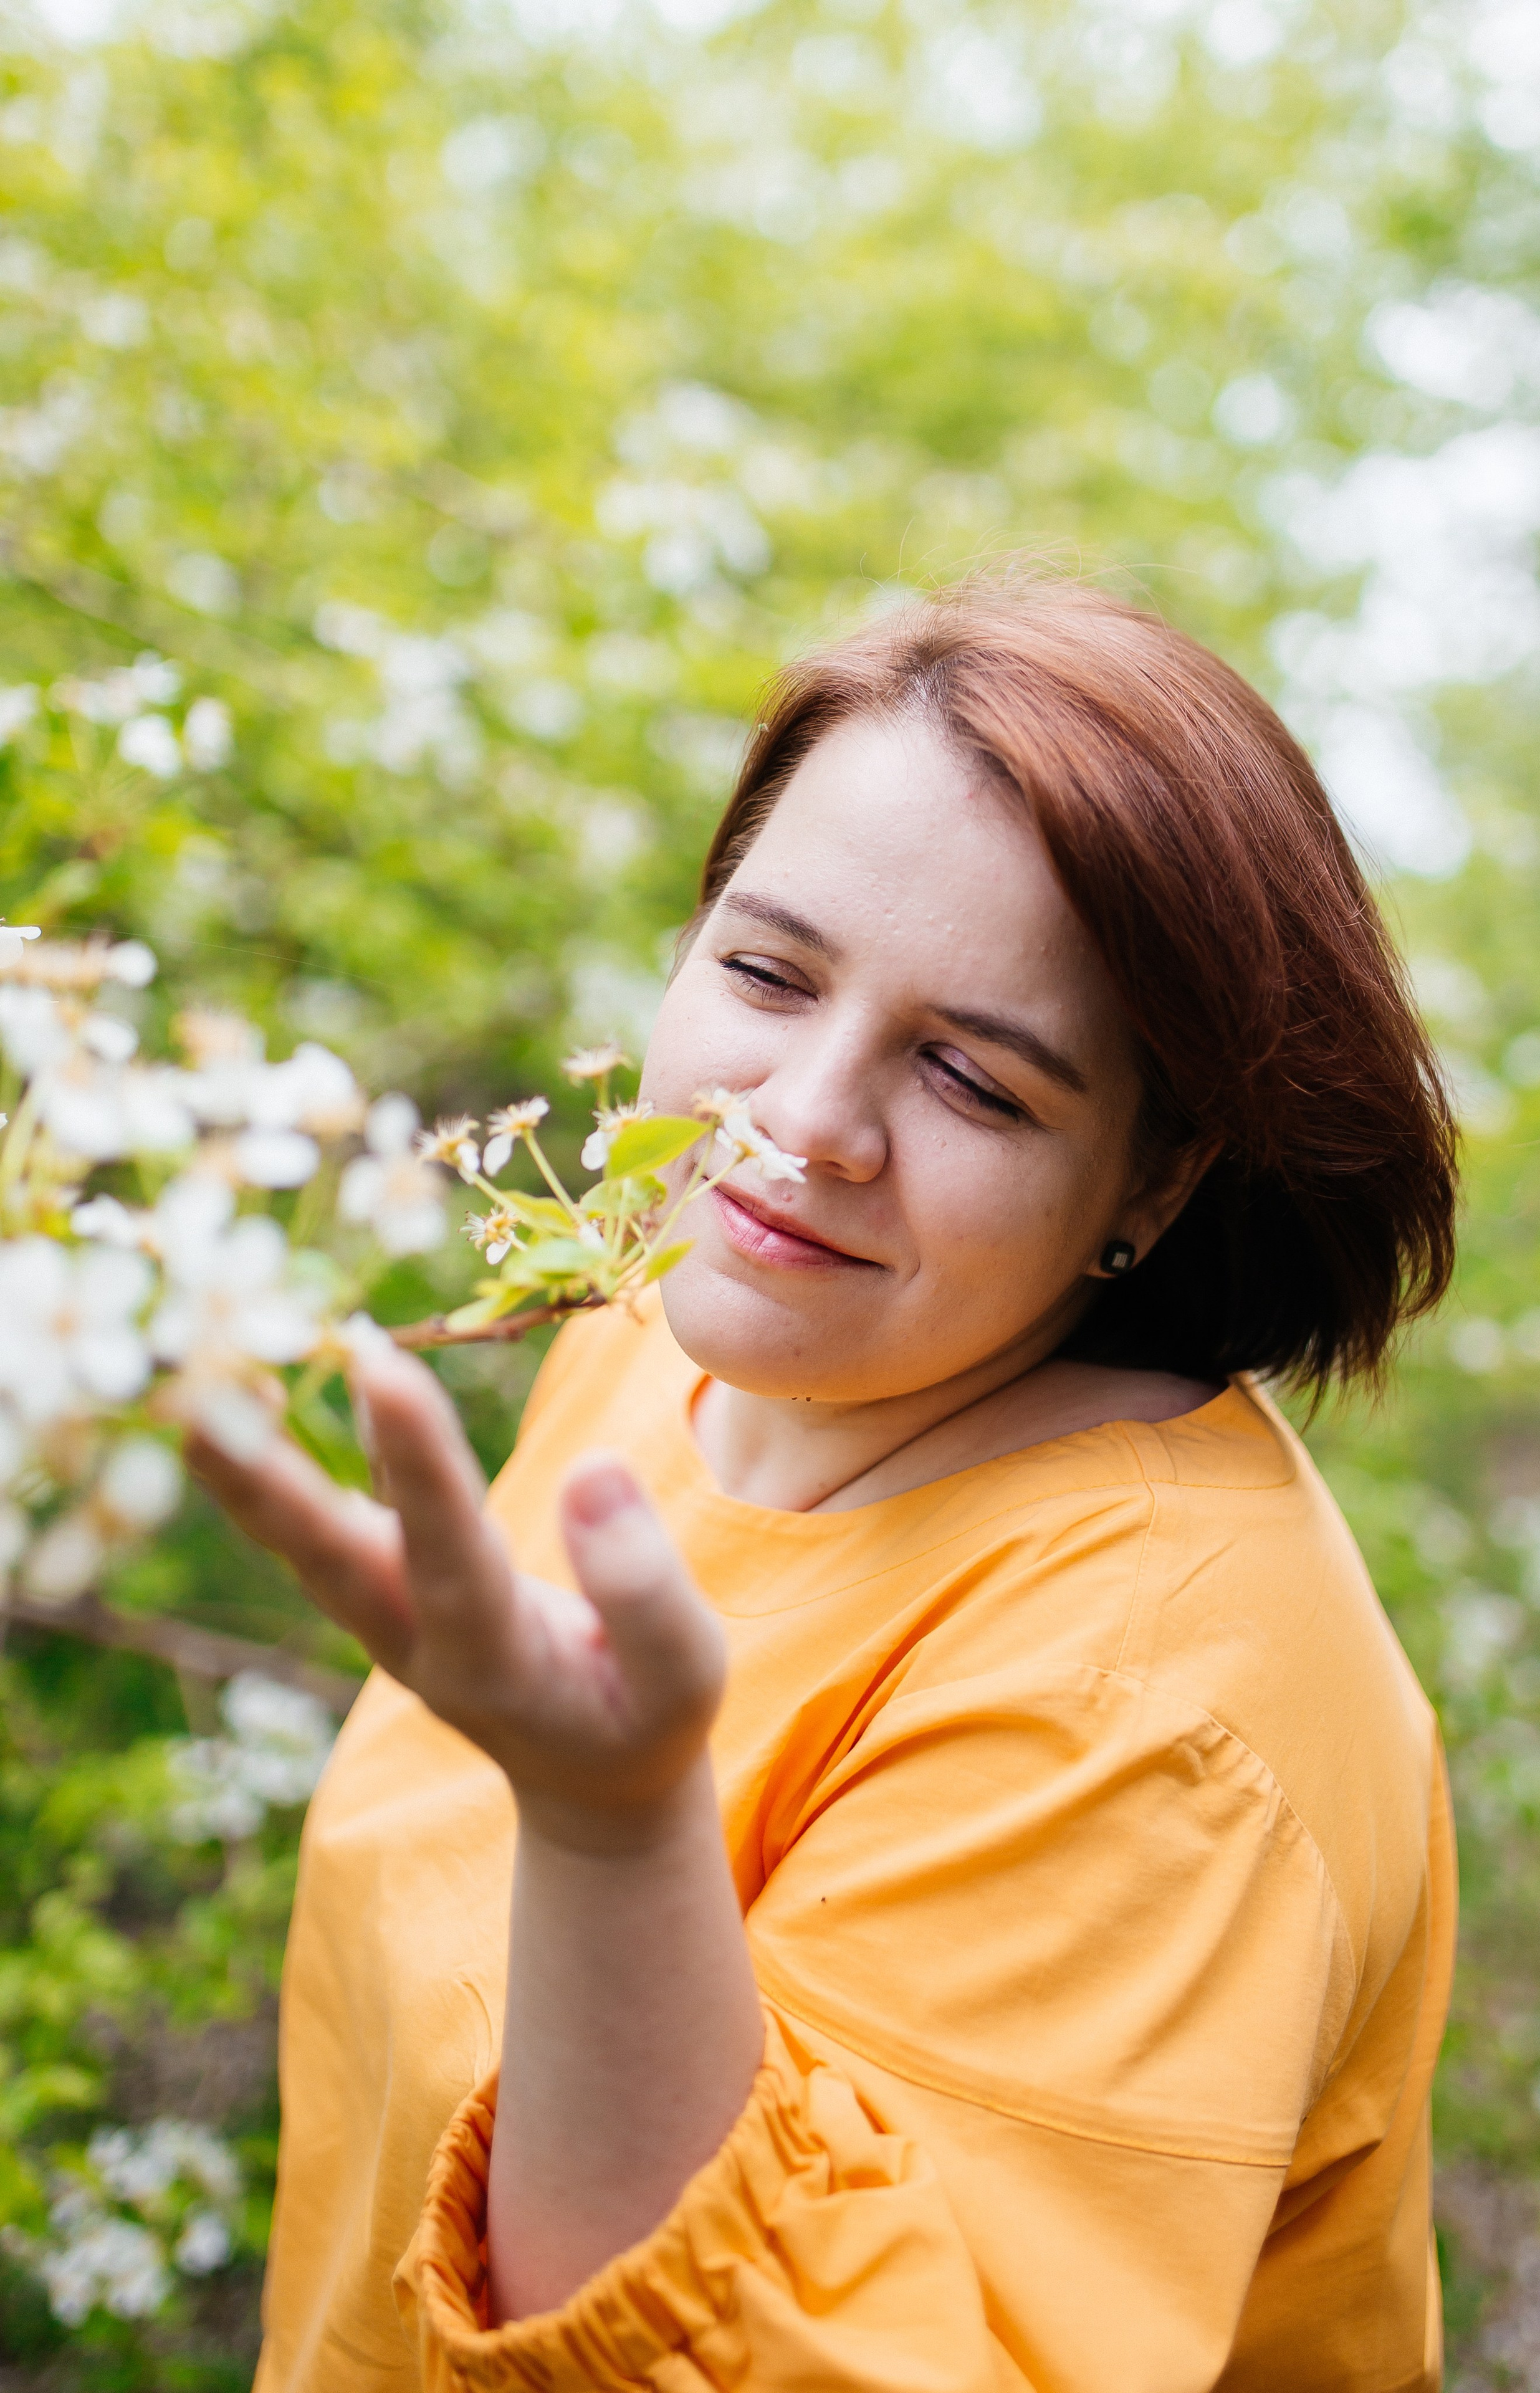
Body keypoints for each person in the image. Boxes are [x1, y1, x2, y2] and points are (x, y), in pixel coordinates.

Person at [194, 571, 1460, 2393]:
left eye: (975, 1078)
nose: (803, 1121)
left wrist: (615, 1830)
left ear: (1156, 1183)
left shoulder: (1161, 1707)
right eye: (767, 972)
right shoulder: (668, 1341)